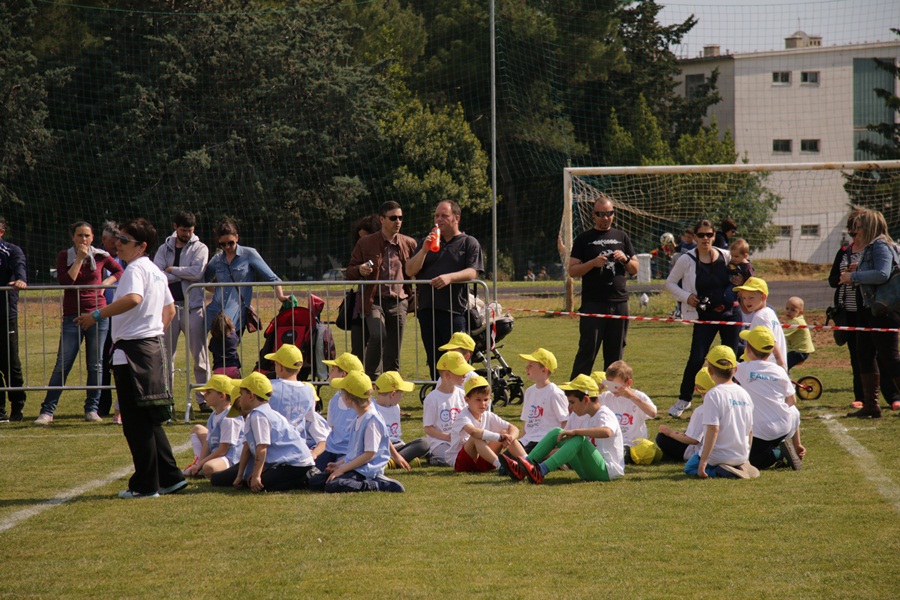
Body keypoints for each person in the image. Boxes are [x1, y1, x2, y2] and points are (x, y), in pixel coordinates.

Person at [75, 218, 185, 498]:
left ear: (142, 246)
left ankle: (146, 485)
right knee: (150, 419)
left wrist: (97, 314)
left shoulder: (136, 269)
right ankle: (171, 477)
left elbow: (134, 299)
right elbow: (170, 311)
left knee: (136, 423)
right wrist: (153, 330)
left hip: (133, 353)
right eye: (118, 239)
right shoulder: (156, 271)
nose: (118, 244)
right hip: (151, 348)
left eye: (125, 241)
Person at [36, 221, 124, 424]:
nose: (83, 239)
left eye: (87, 236)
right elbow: (67, 282)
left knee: (96, 365)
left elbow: (119, 271)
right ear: (73, 237)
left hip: (98, 316)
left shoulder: (101, 256)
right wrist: (79, 259)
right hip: (72, 316)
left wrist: (105, 284)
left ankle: (92, 409)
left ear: (93, 238)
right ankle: (47, 411)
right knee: (63, 364)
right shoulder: (64, 256)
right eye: (79, 235)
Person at [665, 219, 741, 418]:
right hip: (704, 315)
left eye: (709, 234)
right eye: (701, 235)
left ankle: (734, 399)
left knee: (731, 357)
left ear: (714, 236)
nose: (705, 238)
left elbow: (746, 271)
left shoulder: (725, 255)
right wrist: (686, 297)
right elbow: (671, 283)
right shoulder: (687, 259)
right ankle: (684, 399)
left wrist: (741, 280)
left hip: (730, 313)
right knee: (697, 357)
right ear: (695, 237)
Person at [828, 210, 899, 411]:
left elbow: (882, 274)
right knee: (864, 354)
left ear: (868, 227)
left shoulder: (880, 245)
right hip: (868, 309)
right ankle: (870, 405)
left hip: (883, 309)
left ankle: (889, 398)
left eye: (858, 227)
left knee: (890, 358)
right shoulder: (872, 246)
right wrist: (858, 271)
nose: (854, 230)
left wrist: (854, 277)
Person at [405, 200, 484, 379]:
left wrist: (449, 277)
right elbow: (410, 270)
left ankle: (463, 397)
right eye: (436, 215)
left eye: (444, 216)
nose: (438, 219)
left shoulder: (468, 243)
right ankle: (438, 396)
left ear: (456, 218)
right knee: (435, 359)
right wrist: (424, 250)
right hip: (426, 310)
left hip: (453, 311)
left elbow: (473, 272)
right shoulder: (427, 242)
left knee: (457, 359)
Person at [506, 374, 624, 484]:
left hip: (607, 472)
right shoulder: (585, 415)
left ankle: (540, 471)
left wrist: (575, 431)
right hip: (588, 470)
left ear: (586, 400)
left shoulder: (604, 413)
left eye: (572, 402)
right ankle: (525, 466)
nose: (570, 407)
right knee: (557, 432)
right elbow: (563, 437)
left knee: (579, 440)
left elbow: (607, 432)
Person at [567, 195, 638, 378]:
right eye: (601, 214)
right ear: (593, 215)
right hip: (593, 304)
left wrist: (626, 258)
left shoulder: (622, 236)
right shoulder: (584, 239)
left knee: (615, 357)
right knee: (587, 351)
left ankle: (613, 395)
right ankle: (575, 395)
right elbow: (572, 270)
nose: (605, 218)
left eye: (609, 214)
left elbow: (635, 269)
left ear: (613, 214)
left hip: (619, 302)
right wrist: (593, 263)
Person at [346, 201, 418, 378]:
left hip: (399, 302)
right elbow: (350, 271)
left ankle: (392, 389)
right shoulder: (366, 243)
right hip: (374, 301)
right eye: (393, 218)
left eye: (400, 218)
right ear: (382, 219)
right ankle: (370, 377)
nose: (398, 221)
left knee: (394, 350)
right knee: (378, 334)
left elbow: (419, 268)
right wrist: (359, 270)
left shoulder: (409, 243)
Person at [309, 370, 405, 493]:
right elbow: (356, 452)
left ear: (349, 399)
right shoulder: (359, 416)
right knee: (314, 481)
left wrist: (342, 470)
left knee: (334, 485)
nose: (340, 396)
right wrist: (338, 465)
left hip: (366, 470)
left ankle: (377, 484)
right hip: (356, 467)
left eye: (342, 393)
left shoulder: (371, 420)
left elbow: (369, 454)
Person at [223, 372, 320, 493]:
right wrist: (240, 475)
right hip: (286, 464)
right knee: (250, 482)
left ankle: (308, 477)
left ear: (251, 396)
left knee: (262, 485)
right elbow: (247, 446)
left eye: (241, 394)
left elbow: (262, 447)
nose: (239, 398)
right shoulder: (255, 414)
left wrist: (257, 475)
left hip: (297, 463)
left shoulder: (260, 415)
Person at [153, 211, 210, 408]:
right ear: (175, 226)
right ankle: (166, 398)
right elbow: (156, 274)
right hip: (168, 309)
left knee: (200, 356)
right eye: (183, 230)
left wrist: (171, 270)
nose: (186, 234)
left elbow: (197, 272)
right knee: (166, 356)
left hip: (193, 308)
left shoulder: (200, 247)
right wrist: (178, 274)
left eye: (190, 231)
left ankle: (204, 400)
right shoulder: (163, 248)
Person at [734, 326, 804, 471]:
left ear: (747, 349)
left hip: (763, 431)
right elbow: (792, 401)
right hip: (786, 425)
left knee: (748, 460)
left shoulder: (744, 369)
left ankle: (778, 454)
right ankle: (783, 443)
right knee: (791, 412)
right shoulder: (779, 370)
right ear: (771, 350)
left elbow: (727, 367)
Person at [204, 218, 288, 336]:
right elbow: (204, 282)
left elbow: (272, 278)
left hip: (236, 313)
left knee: (228, 347)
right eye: (223, 244)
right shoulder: (217, 259)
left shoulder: (249, 254)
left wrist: (281, 296)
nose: (227, 247)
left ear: (237, 238)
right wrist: (219, 290)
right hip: (214, 310)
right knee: (202, 340)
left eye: (231, 243)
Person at [685, 346, 757, 479]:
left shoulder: (713, 395)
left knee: (690, 467)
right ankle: (741, 467)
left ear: (710, 370)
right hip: (740, 455)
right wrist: (746, 458)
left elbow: (713, 429)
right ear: (735, 370)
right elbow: (750, 430)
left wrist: (703, 462)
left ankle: (722, 471)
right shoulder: (744, 394)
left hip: (717, 456)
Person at [448, 375, 527, 472]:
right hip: (462, 463)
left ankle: (528, 463)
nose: (483, 404)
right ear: (467, 400)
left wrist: (509, 438)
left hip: (484, 459)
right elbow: (473, 432)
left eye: (486, 400)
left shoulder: (488, 415)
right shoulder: (463, 416)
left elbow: (513, 428)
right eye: (478, 400)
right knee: (476, 437)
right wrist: (500, 437)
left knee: (506, 432)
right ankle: (501, 466)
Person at [182, 374, 244, 479]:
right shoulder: (214, 414)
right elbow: (207, 442)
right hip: (216, 452)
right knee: (197, 429)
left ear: (222, 396)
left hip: (229, 458)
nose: (205, 395)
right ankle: (198, 463)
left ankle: (205, 468)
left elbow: (223, 450)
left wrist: (202, 464)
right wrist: (199, 462)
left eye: (209, 392)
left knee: (209, 468)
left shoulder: (229, 418)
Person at [421, 351, 473, 466]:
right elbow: (428, 428)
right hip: (440, 442)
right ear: (447, 375)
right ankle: (433, 457)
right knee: (452, 459)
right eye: (461, 372)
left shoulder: (463, 394)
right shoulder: (432, 399)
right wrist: (448, 437)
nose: (465, 375)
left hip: (461, 440)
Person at [316, 352, 365, 470]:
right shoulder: (334, 400)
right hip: (331, 450)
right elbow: (332, 428)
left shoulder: (363, 403)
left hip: (351, 453)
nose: (329, 373)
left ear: (343, 374)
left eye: (333, 370)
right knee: (312, 474)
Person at [597, 360, 657, 458]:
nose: (613, 390)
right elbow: (585, 407)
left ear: (628, 382)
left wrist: (632, 397)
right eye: (609, 385)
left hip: (632, 444)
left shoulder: (638, 396)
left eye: (616, 386)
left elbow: (653, 413)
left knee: (619, 453)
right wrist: (596, 391)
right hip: (611, 442)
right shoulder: (606, 397)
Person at [0, 216, 27, 423]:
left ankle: (17, 406)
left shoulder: (11, 250)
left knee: (11, 363)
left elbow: (20, 269)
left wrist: (20, 279)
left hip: (5, 314)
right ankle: (0, 411)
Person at [98, 221, 125, 421]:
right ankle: (101, 404)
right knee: (101, 362)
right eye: (112, 241)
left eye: (119, 241)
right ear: (103, 240)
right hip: (101, 316)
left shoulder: (126, 262)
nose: (116, 245)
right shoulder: (98, 259)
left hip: (121, 318)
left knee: (118, 362)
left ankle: (121, 405)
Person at [656, 368, 714, 462]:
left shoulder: (701, 411)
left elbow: (693, 440)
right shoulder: (735, 402)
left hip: (706, 455)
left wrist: (670, 432)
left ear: (696, 389)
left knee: (662, 438)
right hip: (734, 452)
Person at [517, 348, 568, 453]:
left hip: (544, 441)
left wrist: (558, 445)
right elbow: (527, 421)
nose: (526, 368)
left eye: (531, 365)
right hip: (528, 440)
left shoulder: (555, 393)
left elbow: (565, 422)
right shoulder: (529, 391)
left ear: (544, 370)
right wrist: (521, 440)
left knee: (518, 461)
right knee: (506, 458)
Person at [374, 371, 429, 467]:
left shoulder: (396, 407)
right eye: (401, 393)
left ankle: (392, 462)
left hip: (398, 446)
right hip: (381, 448)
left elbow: (396, 437)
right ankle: (398, 461)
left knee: (424, 443)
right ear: (393, 394)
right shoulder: (372, 409)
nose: (402, 396)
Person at [734, 277, 787, 370]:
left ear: (763, 297)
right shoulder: (769, 312)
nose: (746, 301)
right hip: (772, 366)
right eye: (744, 298)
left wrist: (780, 362)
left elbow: (771, 341)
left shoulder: (760, 316)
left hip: (766, 367)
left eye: (751, 297)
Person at [348, 213, 382, 358]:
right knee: (358, 345)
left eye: (366, 237)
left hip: (380, 301)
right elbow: (350, 271)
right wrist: (358, 270)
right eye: (360, 238)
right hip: (361, 304)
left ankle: (373, 375)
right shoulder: (359, 250)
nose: (362, 241)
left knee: (379, 338)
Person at [783, 296, 815, 372]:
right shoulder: (793, 320)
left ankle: (785, 382)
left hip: (800, 352)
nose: (788, 311)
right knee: (783, 363)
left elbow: (782, 333)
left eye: (793, 310)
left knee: (783, 365)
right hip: (798, 351)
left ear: (800, 312)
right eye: (787, 308)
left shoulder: (796, 322)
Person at [209, 312, 241, 381]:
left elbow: (210, 348)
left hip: (218, 369)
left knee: (220, 390)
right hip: (232, 367)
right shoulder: (233, 337)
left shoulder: (213, 340)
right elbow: (237, 341)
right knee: (234, 388)